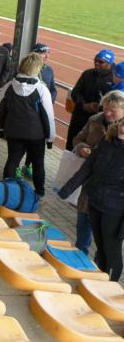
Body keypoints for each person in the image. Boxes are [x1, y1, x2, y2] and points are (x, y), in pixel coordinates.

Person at [59, 120, 124, 281]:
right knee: (100, 246)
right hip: (95, 202)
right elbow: (88, 167)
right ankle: (99, 279)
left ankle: (110, 284)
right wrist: (67, 189)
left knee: (111, 249)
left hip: (115, 210)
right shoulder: (107, 141)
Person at [71, 90, 124, 254]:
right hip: (89, 187)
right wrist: (82, 148)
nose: (107, 113)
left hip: (112, 198)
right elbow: (78, 139)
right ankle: (80, 258)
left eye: (113, 110)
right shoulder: (94, 120)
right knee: (83, 229)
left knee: (106, 243)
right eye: (105, 108)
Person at [0, 53, 56, 198]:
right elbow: (48, 116)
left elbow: (1, 109)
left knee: (12, 160)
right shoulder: (42, 89)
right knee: (38, 164)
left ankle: (6, 190)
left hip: (13, 132)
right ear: (37, 69)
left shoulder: (9, 86)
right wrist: (50, 138)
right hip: (36, 135)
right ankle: (39, 193)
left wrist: (1, 128)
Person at [18, 42, 58, 179]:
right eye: (43, 53)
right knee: (22, 143)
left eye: (48, 53)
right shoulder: (26, 68)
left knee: (35, 144)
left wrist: (49, 99)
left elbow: (53, 89)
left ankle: (27, 165)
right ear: (34, 54)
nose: (47, 56)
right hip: (28, 113)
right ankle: (16, 166)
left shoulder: (49, 70)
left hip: (41, 114)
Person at [66, 49, 116, 150]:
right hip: (79, 116)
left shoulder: (114, 80)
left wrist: (99, 107)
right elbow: (75, 92)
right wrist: (84, 105)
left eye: (101, 62)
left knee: (91, 149)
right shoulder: (87, 74)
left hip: (98, 122)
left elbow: (114, 103)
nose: (97, 63)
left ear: (110, 64)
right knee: (71, 144)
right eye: (95, 60)